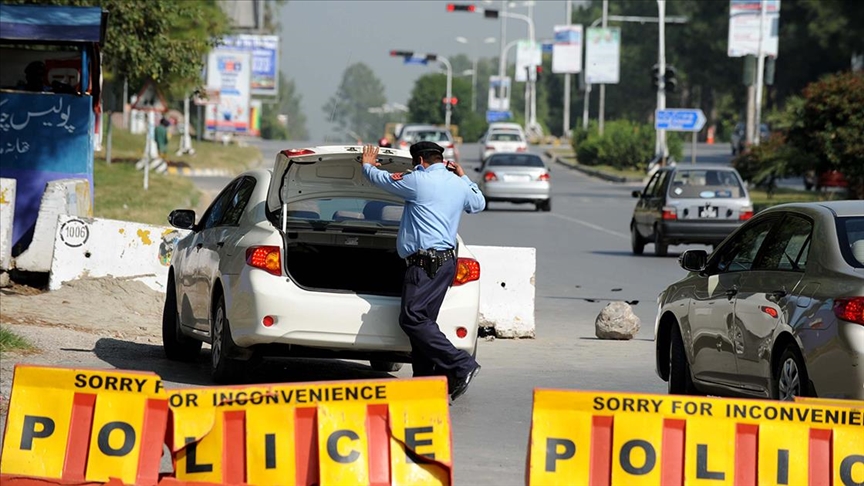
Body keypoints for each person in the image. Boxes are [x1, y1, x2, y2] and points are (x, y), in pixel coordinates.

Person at [360, 142, 485, 402]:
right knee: (424, 324)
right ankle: (427, 383)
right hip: (446, 264)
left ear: (419, 160)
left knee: (412, 319)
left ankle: (461, 365)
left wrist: (367, 165)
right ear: (441, 159)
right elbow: (478, 203)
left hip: (424, 265)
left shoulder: (418, 181)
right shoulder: (459, 183)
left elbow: (381, 180)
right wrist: (463, 176)